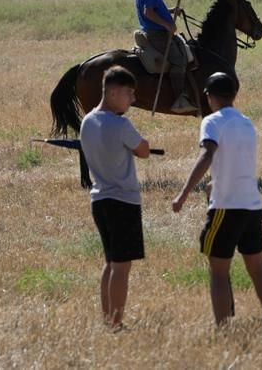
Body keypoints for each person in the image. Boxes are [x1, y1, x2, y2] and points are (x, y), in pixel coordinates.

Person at [172, 72, 262, 328]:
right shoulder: (246, 122)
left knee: (219, 272)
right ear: (234, 95)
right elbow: (237, 161)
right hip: (252, 206)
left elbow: (208, 154)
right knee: (258, 269)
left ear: (209, 97)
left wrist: (184, 192)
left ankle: (223, 329)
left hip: (225, 207)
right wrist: (215, 181)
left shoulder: (212, 121)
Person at [80, 66, 151, 330]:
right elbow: (143, 150)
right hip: (123, 201)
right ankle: (116, 324)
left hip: (99, 200)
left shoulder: (88, 120)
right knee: (122, 267)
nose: (132, 100)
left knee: (110, 263)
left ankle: (108, 318)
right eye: (129, 94)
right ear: (112, 92)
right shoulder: (121, 124)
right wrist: (140, 144)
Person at [135, 0, 194, 113]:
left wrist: (171, 11)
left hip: (154, 31)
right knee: (179, 60)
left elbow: (152, 10)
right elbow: (148, 12)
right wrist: (167, 25)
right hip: (158, 35)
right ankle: (179, 99)